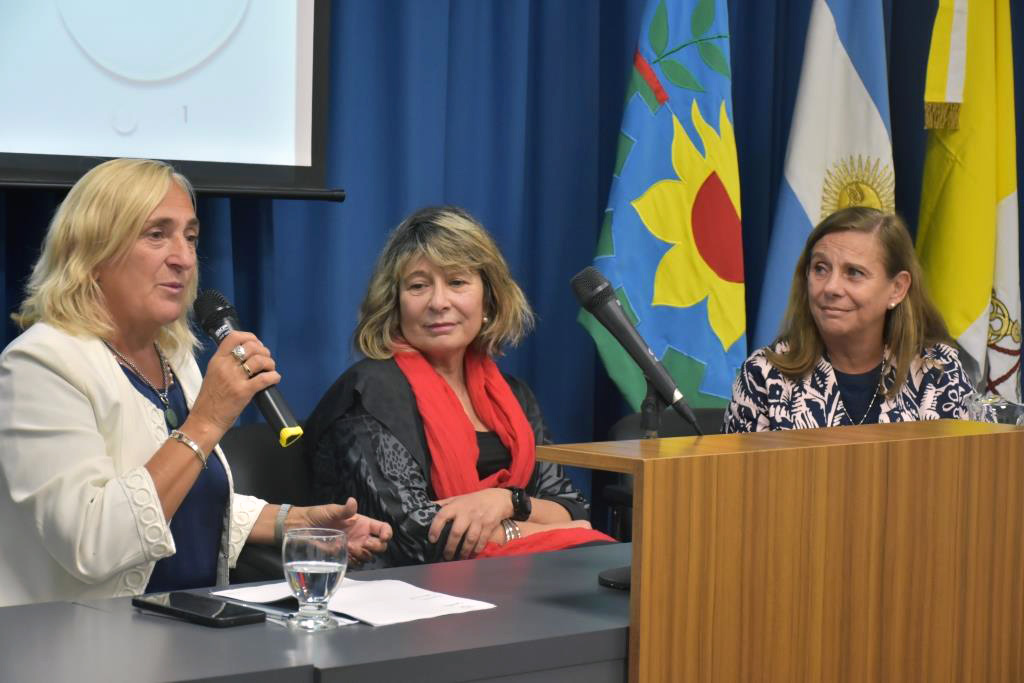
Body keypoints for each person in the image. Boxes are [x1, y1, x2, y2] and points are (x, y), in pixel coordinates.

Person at [0, 158, 391, 607]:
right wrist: (206, 420)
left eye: (190, 237)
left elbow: (183, 500)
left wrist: (296, 523)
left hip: (186, 625)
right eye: (156, 234)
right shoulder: (41, 365)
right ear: (92, 252)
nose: (184, 259)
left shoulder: (174, 355)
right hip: (78, 637)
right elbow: (91, 541)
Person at [305, 206, 612, 567]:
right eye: (418, 286)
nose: (439, 302)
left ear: (488, 299)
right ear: (394, 304)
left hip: (525, 578)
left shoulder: (514, 396)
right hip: (412, 589)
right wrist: (552, 530)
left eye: (457, 282)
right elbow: (416, 537)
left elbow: (573, 506)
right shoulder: (369, 395)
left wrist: (506, 501)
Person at [724, 206, 974, 433]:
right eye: (820, 268)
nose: (831, 287)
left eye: (853, 272)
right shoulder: (764, 376)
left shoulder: (938, 370)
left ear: (897, 288)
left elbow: (969, 464)